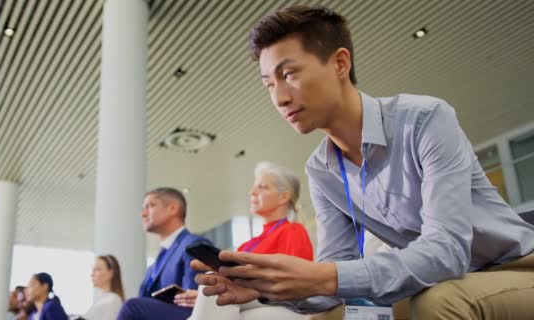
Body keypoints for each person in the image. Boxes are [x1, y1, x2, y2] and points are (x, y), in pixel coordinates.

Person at [193, 5, 534, 320]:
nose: (280, 98)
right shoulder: (322, 169)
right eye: (269, 83)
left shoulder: (426, 119)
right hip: (441, 281)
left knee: (440, 302)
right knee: (329, 316)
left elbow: (447, 252)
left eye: (290, 74)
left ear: (341, 63)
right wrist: (267, 289)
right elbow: (333, 273)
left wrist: (327, 276)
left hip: (515, 268)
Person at [185, 161, 313, 320]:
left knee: (216, 289)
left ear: (284, 197)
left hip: (283, 303)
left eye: (262, 187)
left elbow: (298, 283)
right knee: (215, 285)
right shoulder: (248, 244)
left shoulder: (293, 231)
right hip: (251, 301)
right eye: (254, 187)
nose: (252, 192)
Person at [116, 187, 212, 320]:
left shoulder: (193, 245)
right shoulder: (153, 266)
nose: (143, 214)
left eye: (150, 206)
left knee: (132, 307)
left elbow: (193, 300)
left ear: (172, 208)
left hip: (189, 315)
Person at [81, 255, 124, 320]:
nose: (92, 274)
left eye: (97, 269)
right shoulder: (102, 299)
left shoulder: (112, 300)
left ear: (111, 273)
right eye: (93, 270)